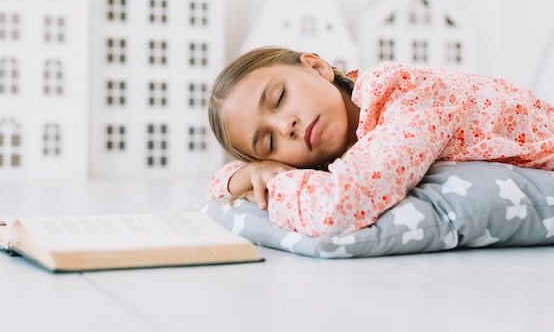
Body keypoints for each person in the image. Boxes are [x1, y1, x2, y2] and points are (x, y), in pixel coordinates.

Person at [207, 46, 554, 237]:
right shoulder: (354, 136)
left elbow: (339, 206)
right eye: (268, 142)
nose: (287, 126)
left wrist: (274, 181)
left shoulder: (405, 98)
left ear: (316, 68)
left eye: (280, 97)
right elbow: (218, 189)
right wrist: (246, 174)